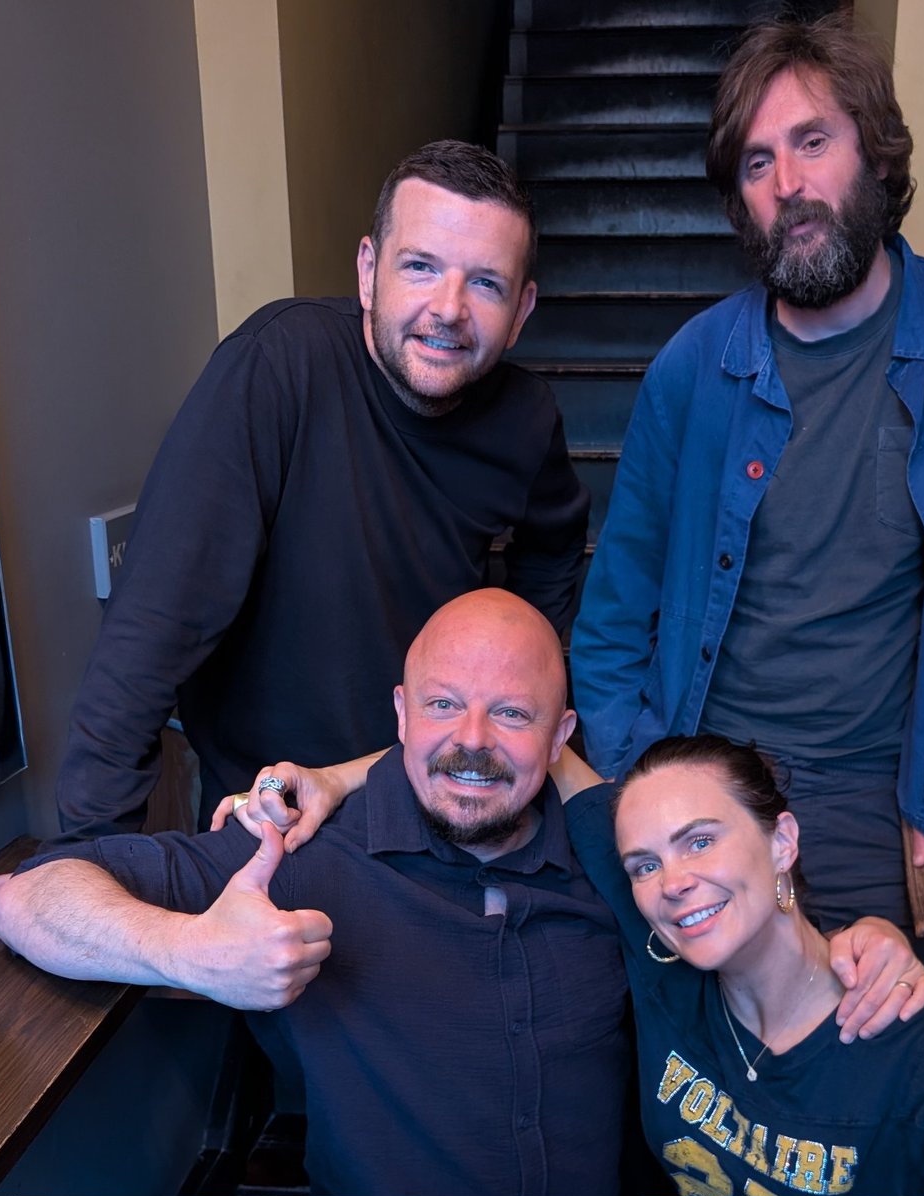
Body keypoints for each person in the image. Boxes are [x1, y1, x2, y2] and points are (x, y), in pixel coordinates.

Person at [0, 591, 924, 1196]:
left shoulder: (614, 856)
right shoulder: (299, 853)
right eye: (441, 704)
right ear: (399, 714)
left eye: (512, 713)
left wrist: (862, 940)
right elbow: (31, 894)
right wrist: (189, 955)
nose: (471, 739)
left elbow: (742, 909)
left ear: (562, 738)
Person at [569, 16, 924, 933]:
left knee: (867, 1008)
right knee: (685, 1019)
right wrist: (638, 783)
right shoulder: (691, 369)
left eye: (812, 142)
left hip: (871, 791)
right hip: (707, 772)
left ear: (876, 153)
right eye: (757, 163)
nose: (787, 184)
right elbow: (614, 613)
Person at [56, 139, 589, 841]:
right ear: (368, 272)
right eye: (420, 266)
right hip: (268, 804)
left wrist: (514, 674)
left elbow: (554, 549)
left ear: (522, 310)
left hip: (432, 792)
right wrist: (88, 856)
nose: (449, 308)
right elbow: (152, 632)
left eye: (486, 283)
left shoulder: (526, 420)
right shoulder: (279, 369)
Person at [556, 734, 924, 1196]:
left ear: (782, 842)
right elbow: (552, 755)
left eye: (700, 841)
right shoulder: (661, 956)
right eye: (644, 865)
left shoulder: (908, 1036)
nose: (673, 882)